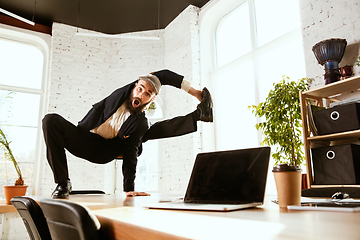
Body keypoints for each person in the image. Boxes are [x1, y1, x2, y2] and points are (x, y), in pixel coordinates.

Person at [42, 69, 213, 199]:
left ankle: (199, 114)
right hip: (83, 138)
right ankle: (63, 183)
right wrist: (197, 93)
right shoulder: (126, 91)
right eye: (140, 89)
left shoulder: (140, 122)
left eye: (147, 94)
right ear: (134, 86)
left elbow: (131, 154)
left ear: (151, 99)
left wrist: (128, 189)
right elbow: (165, 75)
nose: (141, 94)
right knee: (51, 120)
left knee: (143, 133)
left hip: (105, 150)